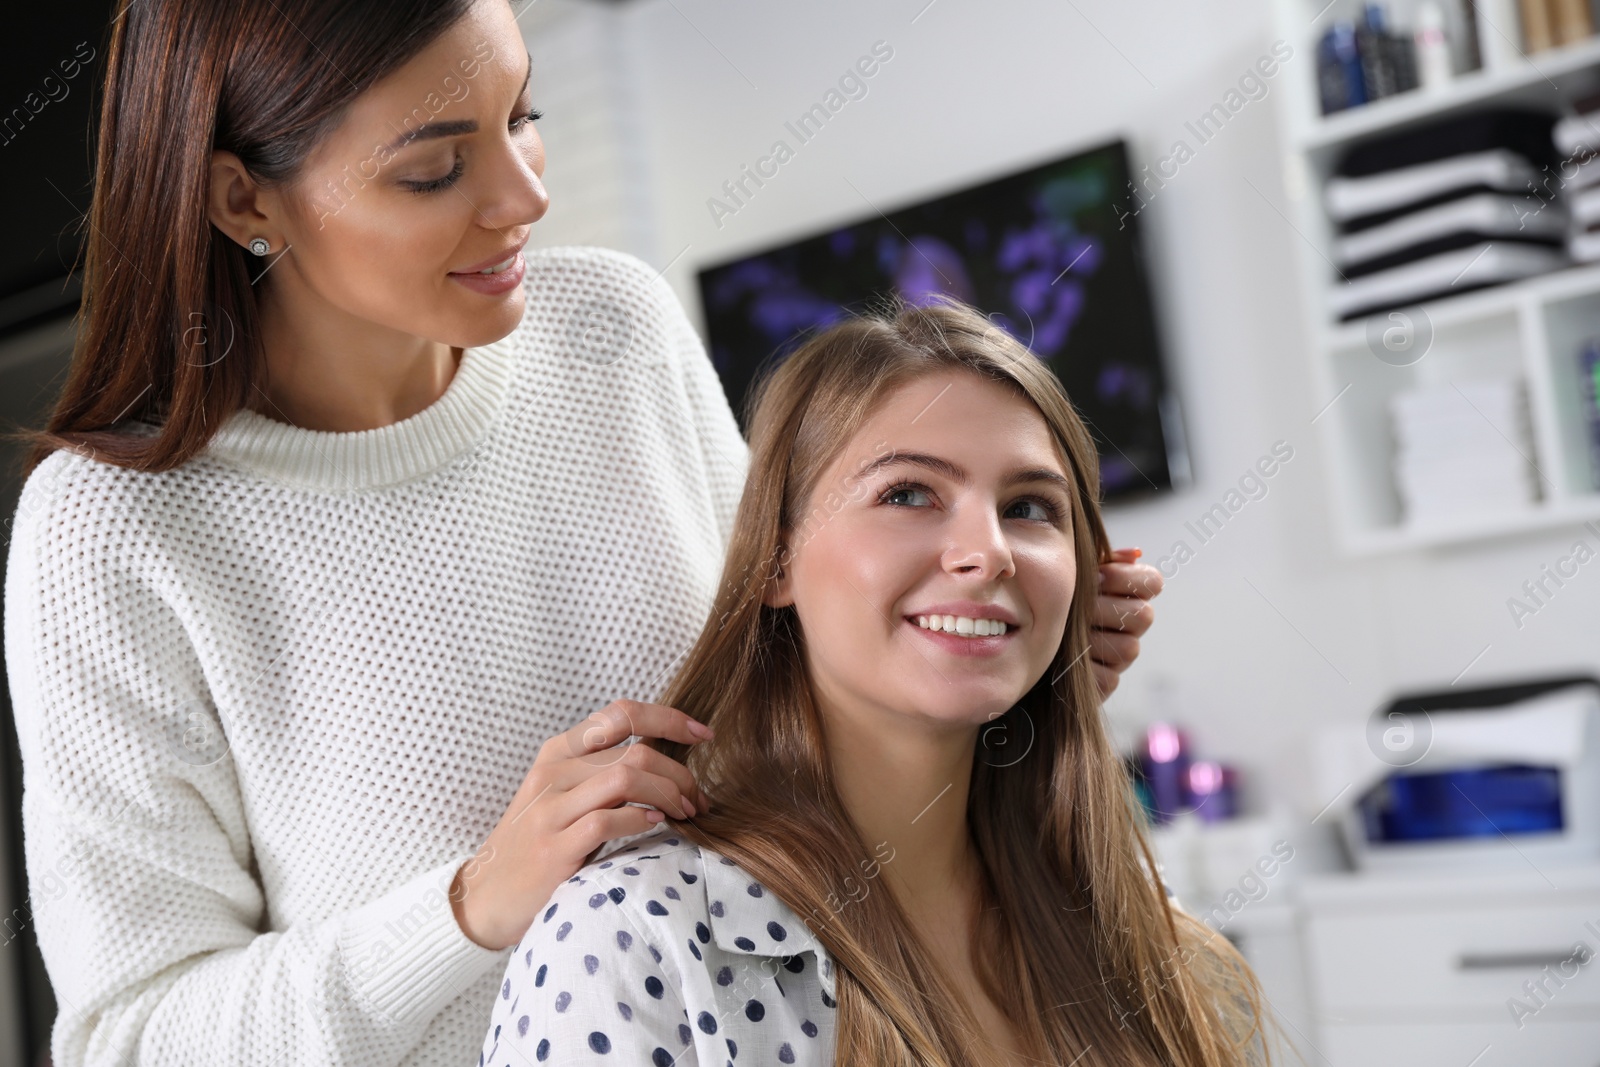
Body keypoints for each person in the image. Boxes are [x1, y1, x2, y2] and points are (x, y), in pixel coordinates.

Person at [3, 1, 1163, 1065]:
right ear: (242, 199)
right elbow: (129, 1037)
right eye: (436, 169)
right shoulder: (116, 531)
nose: (523, 196)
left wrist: (985, 658)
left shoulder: (613, 330)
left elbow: (785, 716)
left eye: (524, 118)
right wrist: (470, 905)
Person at [482, 294, 1263, 1067]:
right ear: (775, 563)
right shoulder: (632, 937)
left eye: (1029, 506)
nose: (987, 552)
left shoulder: (1137, 931)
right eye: (908, 493)